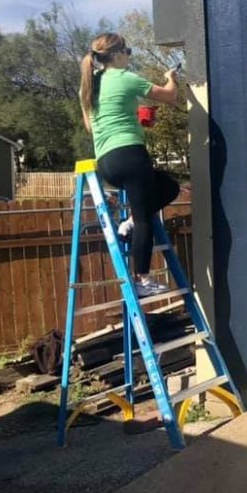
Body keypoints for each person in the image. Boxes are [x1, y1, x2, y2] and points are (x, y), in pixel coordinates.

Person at [79, 33, 181, 297]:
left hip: (107, 163)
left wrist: (131, 118)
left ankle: (130, 222)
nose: (129, 56)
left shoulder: (90, 84)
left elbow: (91, 126)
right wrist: (171, 77)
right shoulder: (126, 78)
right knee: (146, 218)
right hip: (131, 155)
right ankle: (142, 279)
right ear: (116, 55)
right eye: (128, 51)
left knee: (169, 187)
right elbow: (170, 96)